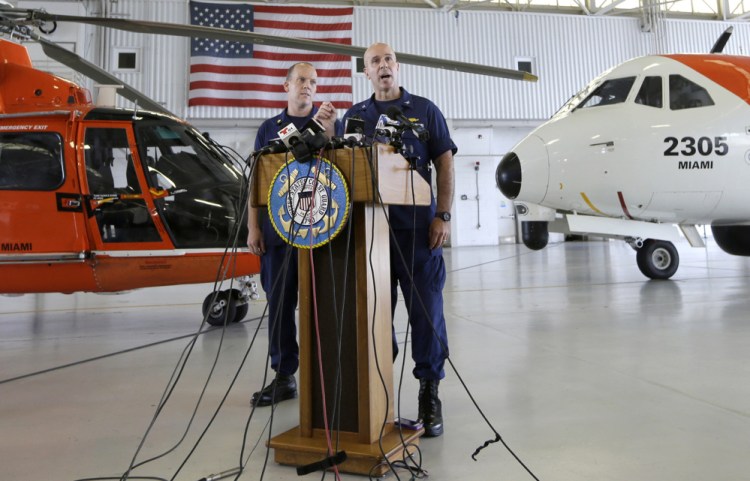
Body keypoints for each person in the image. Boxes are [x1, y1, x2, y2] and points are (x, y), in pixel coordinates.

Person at [342, 43, 456, 437]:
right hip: (370, 236)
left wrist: (442, 214)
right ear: (366, 73)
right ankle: (378, 389)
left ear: (397, 67)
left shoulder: (425, 110)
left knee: (426, 315)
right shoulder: (354, 117)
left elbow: (444, 161)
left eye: (388, 59)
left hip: (418, 234)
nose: (383, 65)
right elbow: (346, 171)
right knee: (374, 317)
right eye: (375, 61)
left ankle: (429, 392)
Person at [248, 62, 340, 407]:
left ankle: (328, 375)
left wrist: (330, 133)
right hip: (277, 235)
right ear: (286, 85)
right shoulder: (269, 129)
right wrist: (253, 227)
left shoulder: (327, 122)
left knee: (324, 305)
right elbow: (256, 181)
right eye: (301, 80)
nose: (308, 86)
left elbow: (340, 171)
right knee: (281, 305)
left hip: (321, 232)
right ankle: (284, 376)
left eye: (313, 82)